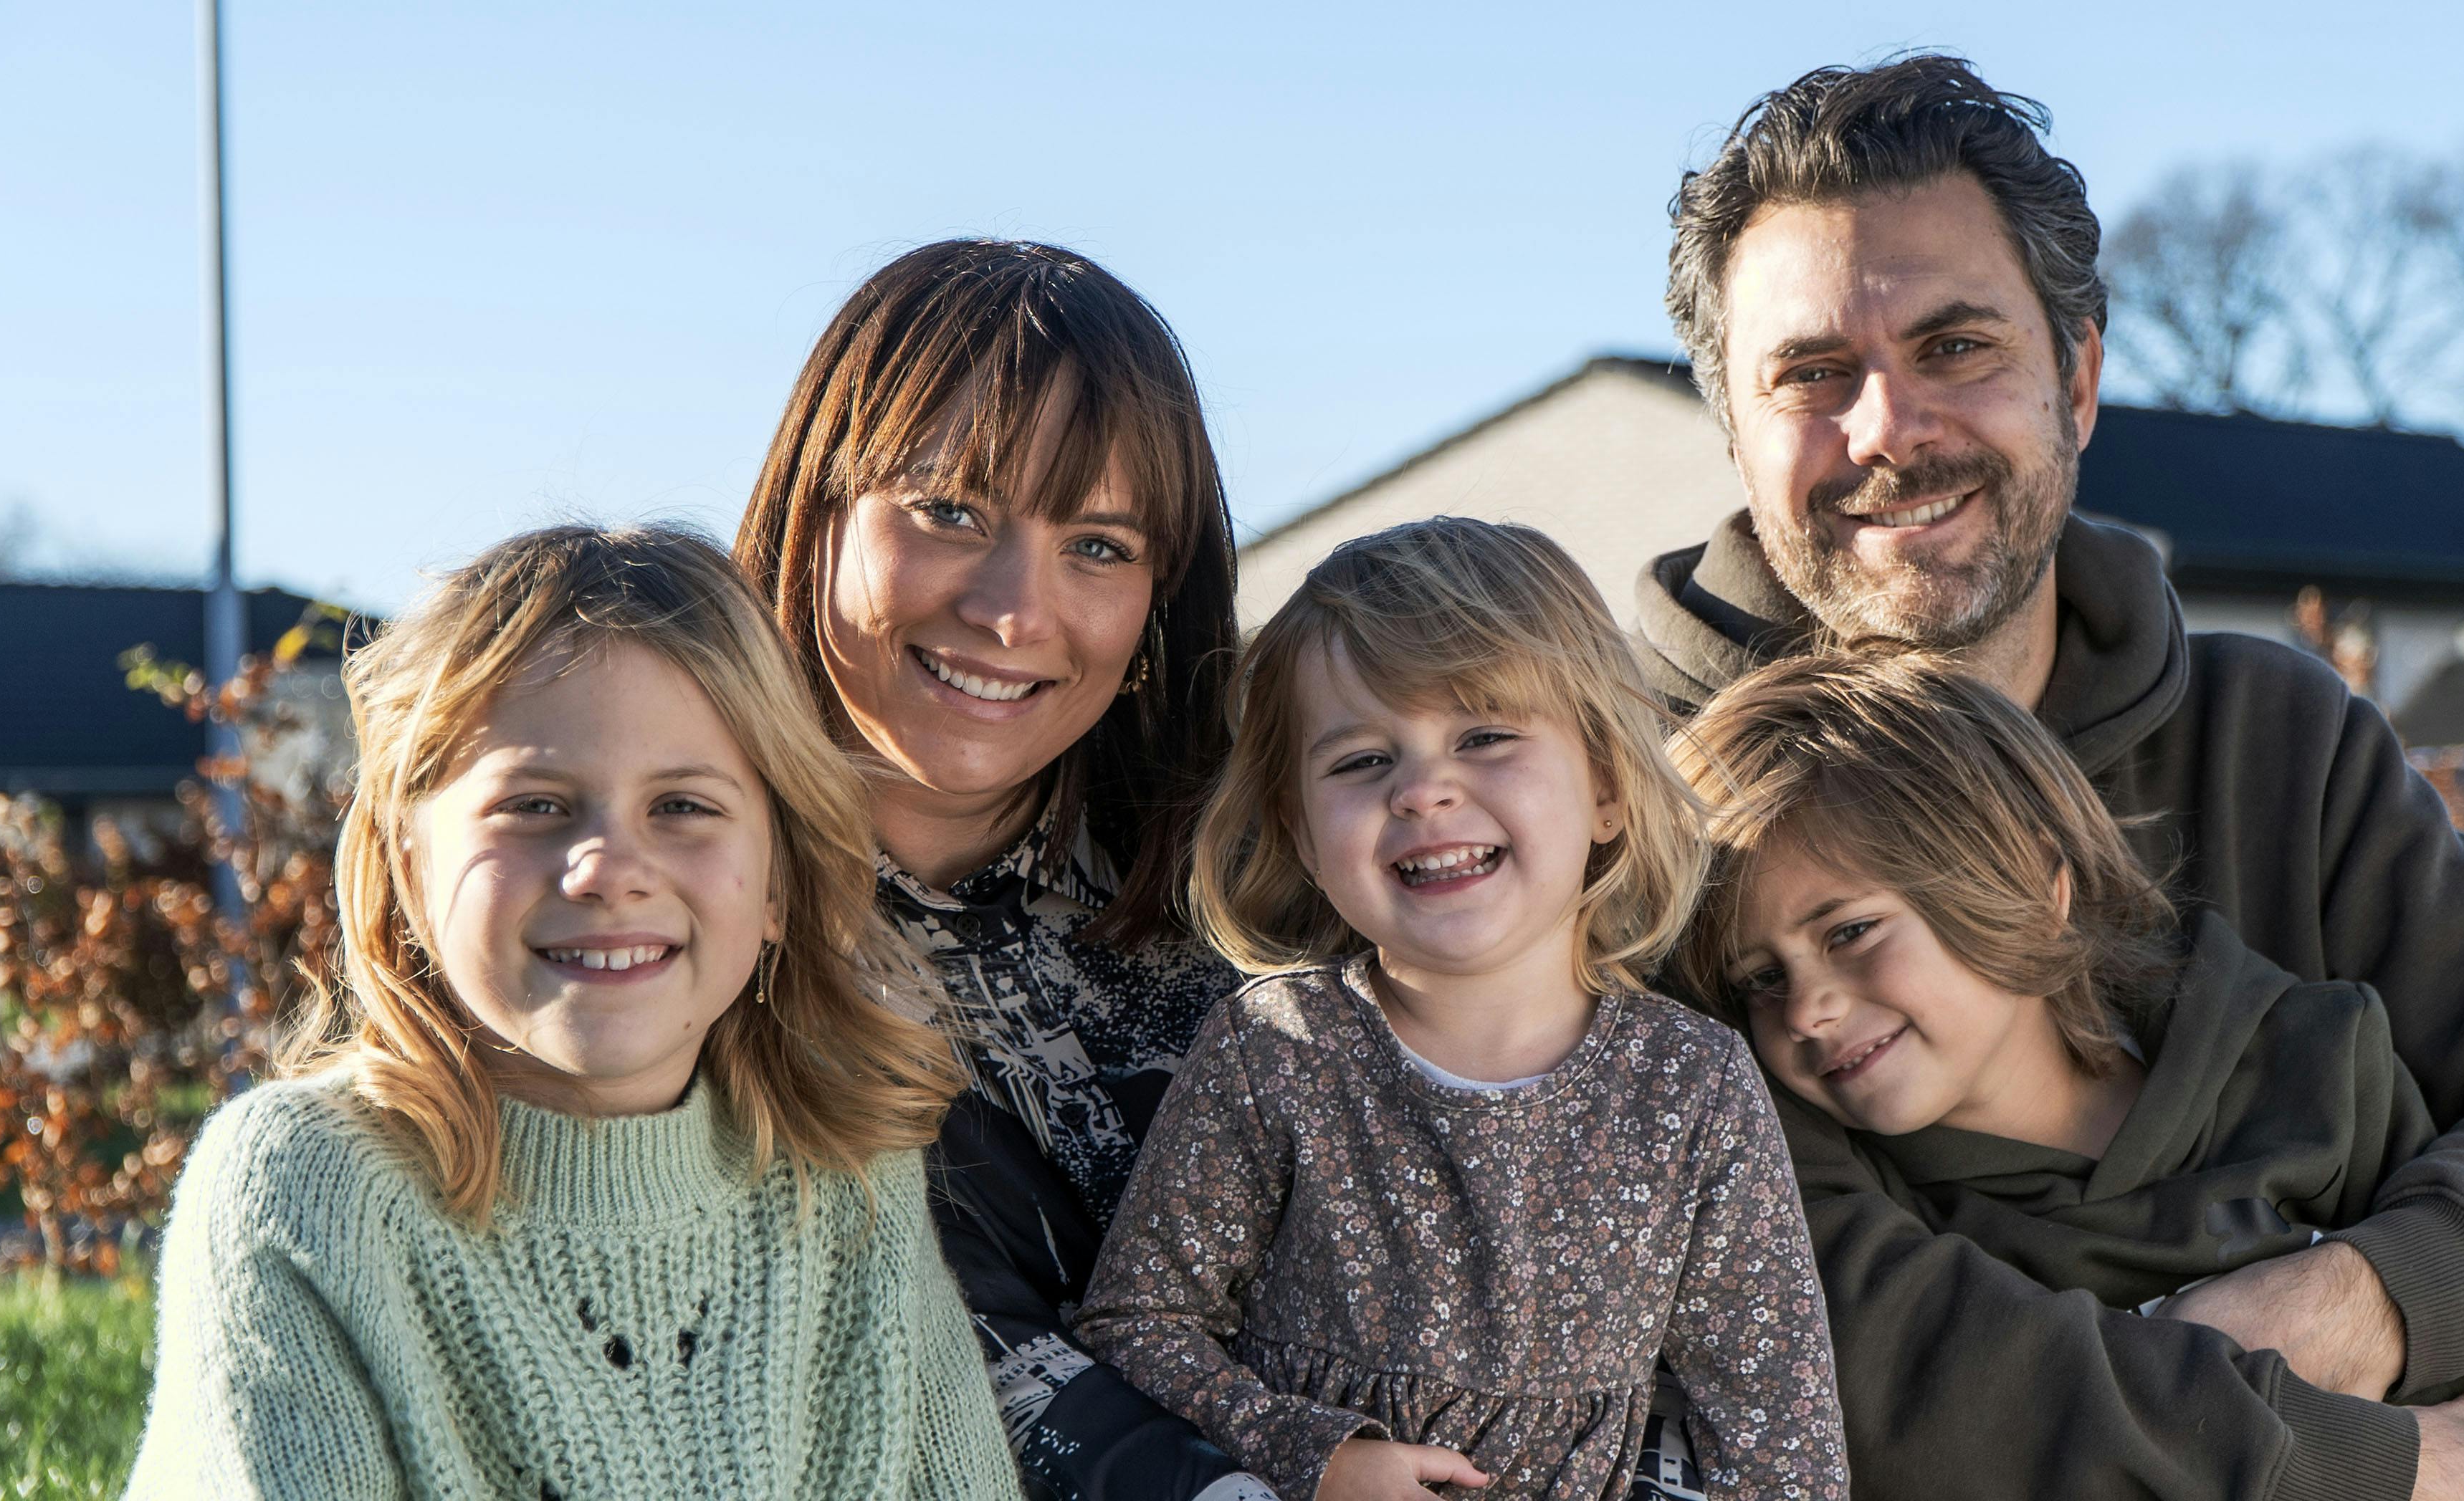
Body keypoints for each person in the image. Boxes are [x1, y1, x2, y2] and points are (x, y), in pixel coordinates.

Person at [1638, 52, 2464, 1500]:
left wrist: (2368, 1302)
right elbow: (1844, 1348)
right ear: (1736, 436)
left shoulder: (2275, 743)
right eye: (1812, 377)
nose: (1888, 429)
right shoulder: (1637, 829)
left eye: (1954, 348)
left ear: (2081, 376)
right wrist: (2365, 1461)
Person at [126, 525, 1017, 1499]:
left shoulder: (850, 1177)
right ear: (410, 868)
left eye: (682, 807)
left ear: (778, 883)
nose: (608, 871)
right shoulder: (305, 1191)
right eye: (536, 807)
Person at [1673, 648, 2464, 1497]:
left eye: (1850, 933)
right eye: (1761, 980)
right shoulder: (1887, 1220)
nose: (1808, 1010)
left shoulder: (2307, 1065)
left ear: (2030, 888)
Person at [1074, 518, 1848, 1501]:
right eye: (1361, 761)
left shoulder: (1691, 1085)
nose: (1426, 791)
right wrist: (1309, 1453)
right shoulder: (1277, 1052)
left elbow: (1777, 1431)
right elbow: (1135, 1327)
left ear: (1607, 785)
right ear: (1304, 838)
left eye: (1484, 737)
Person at [734, 240, 1264, 1500]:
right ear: (819, 508)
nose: (1014, 611)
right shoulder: (657, 914)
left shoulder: (1268, 897)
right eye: (952, 512)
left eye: (1098, 546)